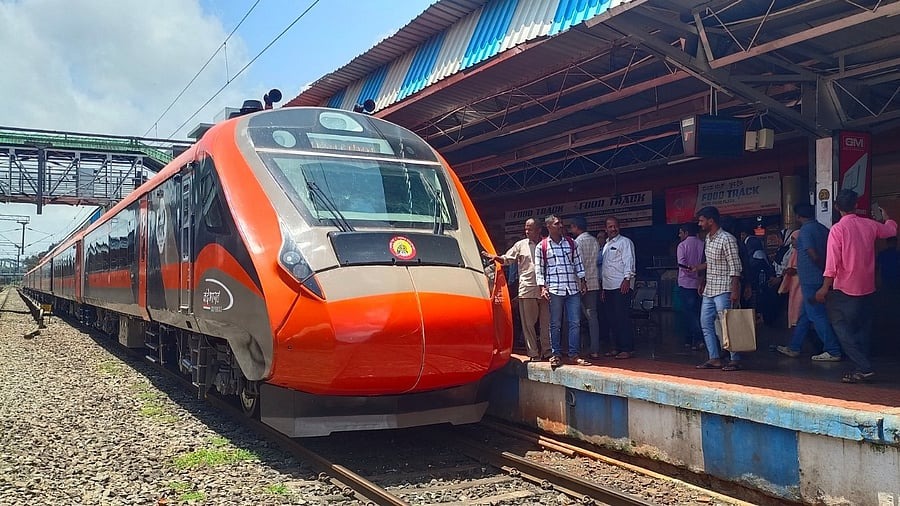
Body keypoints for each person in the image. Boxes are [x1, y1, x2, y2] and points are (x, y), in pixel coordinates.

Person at [815, 190, 897, 383]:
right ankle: (862, 365)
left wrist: (824, 287)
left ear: (836, 207)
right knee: (863, 327)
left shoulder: (838, 229)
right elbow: (891, 231)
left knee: (841, 327)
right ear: (855, 205)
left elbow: (832, 263)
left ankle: (863, 366)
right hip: (867, 287)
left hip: (845, 289)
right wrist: (887, 217)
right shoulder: (869, 224)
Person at [776, 204, 842, 361]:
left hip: (810, 279)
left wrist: (820, 268)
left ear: (798, 216)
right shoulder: (823, 229)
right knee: (805, 314)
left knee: (816, 315)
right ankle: (794, 347)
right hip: (819, 278)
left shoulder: (805, 230)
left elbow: (812, 253)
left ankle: (833, 350)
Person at [483, 218, 550, 362]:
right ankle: (533, 353)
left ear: (539, 230)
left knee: (546, 323)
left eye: (530, 229)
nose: (527, 231)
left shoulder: (547, 244)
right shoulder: (520, 245)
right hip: (527, 287)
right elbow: (507, 259)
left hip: (546, 288)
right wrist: (496, 258)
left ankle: (547, 351)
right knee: (528, 323)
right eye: (526, 229)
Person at [534, 214, 591, 368]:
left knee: (575, 322)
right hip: (554, 289)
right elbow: (539, 269)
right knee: (555, 323)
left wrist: (583, 281)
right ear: (549, 227)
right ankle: (556, 354)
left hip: (572, 288)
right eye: (557, 224)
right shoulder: (542, 246)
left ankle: (574, 354)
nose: (561, 226)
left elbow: (578, 263)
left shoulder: (571, 243)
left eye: (561, 223)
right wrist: (542, 287)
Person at [695, 206, 744, 371]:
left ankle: (734, 359)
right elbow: (712, 262)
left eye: (702, 220)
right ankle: (714, 357)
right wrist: (700, 270)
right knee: (705, 322)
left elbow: (735, 265)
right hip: (710, 288)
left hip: (724, 287)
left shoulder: (727, 238)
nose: (699, 224)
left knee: (727, 324)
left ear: (711, 220)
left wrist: (735, 289)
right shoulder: (708, 238)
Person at [600, 216, 636, 359]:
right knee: (611, 318)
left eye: (615, 226)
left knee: (622, 317)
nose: (613, 229)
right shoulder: (606, 245)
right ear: (606, 229)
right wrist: (603, 288)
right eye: (610, 226)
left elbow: (629, 261)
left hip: (621, 285)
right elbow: (605, 268)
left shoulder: (625, 242)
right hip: (608, 287)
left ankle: (627, 348)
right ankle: (616, 347)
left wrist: (627, 279)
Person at [569, 216, 601, 360]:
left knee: (574, 317)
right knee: (592, 317)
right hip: (594, 282)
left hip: (580, 284)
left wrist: (581, 282)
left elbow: (577, 265)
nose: (571, 230)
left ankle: (573, 349)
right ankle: (594, 349)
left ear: (576, 227)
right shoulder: (595, 241)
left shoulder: (576, 243)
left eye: (572, 227)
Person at [676, 222, 705, 350]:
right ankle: (691, 339)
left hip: (686, 283)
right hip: (700, 283)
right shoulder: (703, 244)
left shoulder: (682, 246)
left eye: (680, 232)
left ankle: (696, 339)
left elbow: (681, 264)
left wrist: (690, 271)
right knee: (697, 312)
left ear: (686, 233)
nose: (679, 235)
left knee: (688, 313)